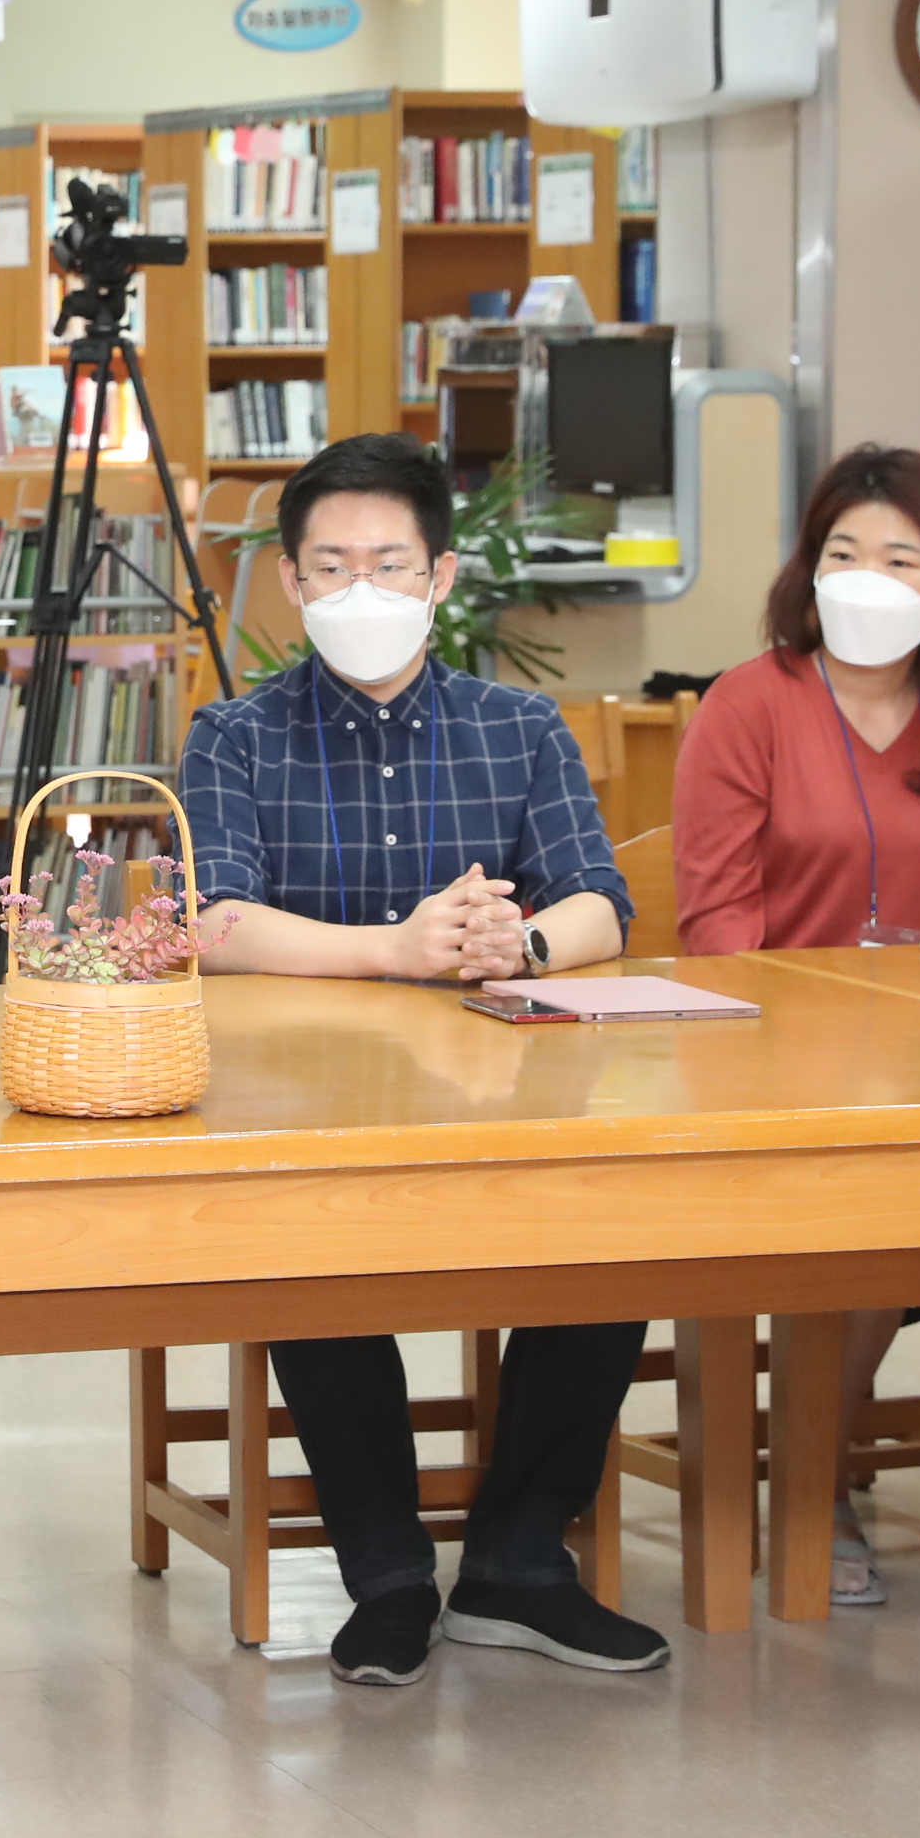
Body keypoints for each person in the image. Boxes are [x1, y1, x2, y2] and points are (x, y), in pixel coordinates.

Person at [179, 431, 661, 1690]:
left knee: (624, 1228)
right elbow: (213, 921)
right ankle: (387, 1574)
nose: (362, 593)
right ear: (290, 581)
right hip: (306, 1106)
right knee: (306, 1241)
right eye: (331, 567)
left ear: (442, 575)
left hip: (509, 1100)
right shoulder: (233, 736)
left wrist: (522, 935)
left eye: (390, 564)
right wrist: (395, 949)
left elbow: (604, 903)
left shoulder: (521, 726)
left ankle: (517, 1560)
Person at [674, 444, 920, 1604]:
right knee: (869, 1200)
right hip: (775, 1064)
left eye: (898, 556)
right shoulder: (749, 704)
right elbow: (717, 932)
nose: (864, 574)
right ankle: (819, 1484)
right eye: (842, 552)